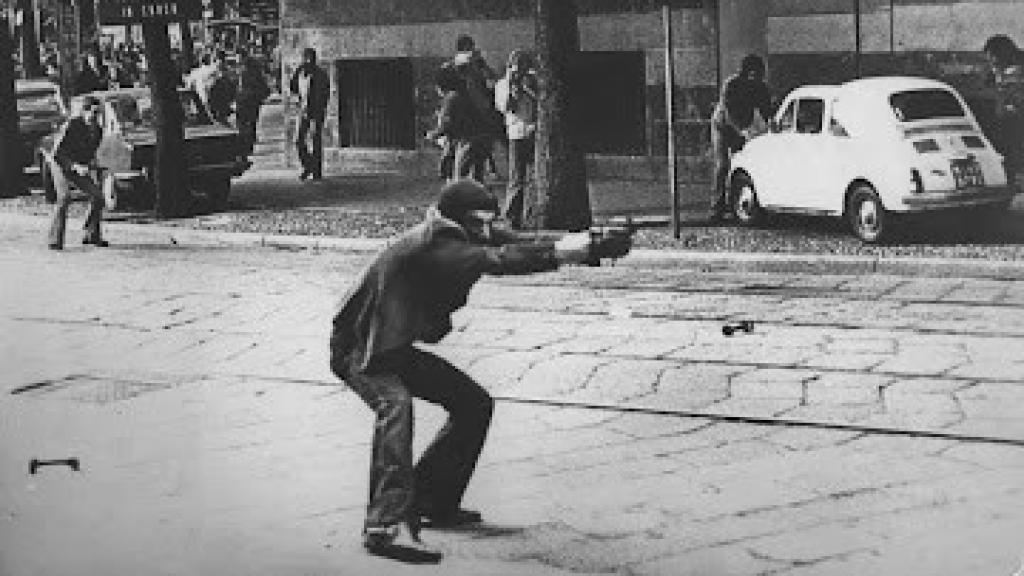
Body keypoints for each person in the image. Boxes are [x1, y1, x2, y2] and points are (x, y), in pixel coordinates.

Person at [329, 179, 630, 563]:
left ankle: (432, 499)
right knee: (396, 406)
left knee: (473, 404)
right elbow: (500, 259)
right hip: (361, 350)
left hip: (390, 345)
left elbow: (518, 239)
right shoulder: (437, 246)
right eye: (481, 224)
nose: (488, 232)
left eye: (490, 222)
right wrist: (580, 250)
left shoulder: (461, 230)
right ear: (458, 222)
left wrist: (588, 239)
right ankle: (385, 525)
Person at [709, 54, 773, 222]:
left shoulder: (760, 88)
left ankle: (739, 202)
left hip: (744, 126)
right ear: (749, 73)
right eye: (757, 74)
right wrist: (741, 132)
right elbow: (728, 112)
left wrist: (772, 125)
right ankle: (716, 208)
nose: (760, 78)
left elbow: (767, 110)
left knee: (747, 164)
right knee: (722, 165)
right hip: (722, 127)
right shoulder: (731, 85)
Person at [47, 95, 107, 250]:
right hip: (60, 164)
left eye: (98, 113)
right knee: (64, 197)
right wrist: (74, 166)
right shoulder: (71, 125)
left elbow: (90, 152)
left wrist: (94, 164)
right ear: (84, 111)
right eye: (93, 112)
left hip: (79, 166)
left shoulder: (98, 131)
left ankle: (91, 234)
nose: (96, 117)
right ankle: (55, 240)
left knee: (98, 197)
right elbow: (57, 153)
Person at [494, 49, 538, 228]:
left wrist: (529, 87)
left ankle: (531, 214)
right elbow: (506, 107)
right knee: (517, 178)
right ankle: (513, 217)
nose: (520, 72)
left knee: (534, 177)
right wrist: (513, 88)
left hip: (534, 131)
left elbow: (541, 102)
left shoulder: (532, 82)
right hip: (517, 133)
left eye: (524, 68)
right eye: (517, 68)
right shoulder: (502, 85)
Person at [427, 64, 490, 183]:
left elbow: (446, 124)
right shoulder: (465, 93)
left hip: (468, 141)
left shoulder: (451, 98)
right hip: (483, 139)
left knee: (459, 180)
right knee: (476, 179)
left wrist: (432, 134)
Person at [983, 35, 1024, 192]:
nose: (990, 60)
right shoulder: (999, 70)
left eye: (992, 56)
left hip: (1016, 118)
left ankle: (1013, 179)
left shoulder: (1016, 71)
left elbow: (1010, 93)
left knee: (1012, 148)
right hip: (1007, 118)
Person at [289, 47, 331, 181]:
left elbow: (323, 97)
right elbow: (293, 87)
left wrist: (316, 114)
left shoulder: (320, 75)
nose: (307, 62)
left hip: (316, 112)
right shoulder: (300, 72)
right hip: (303, 110)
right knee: (298, 140)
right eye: (305, 59)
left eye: (310, 59)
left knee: (315, 140)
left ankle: (316, 171)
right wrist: (297, 100)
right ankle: (309, 165)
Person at [236, 51, 271, 155]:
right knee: (251, 123)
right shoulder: (254, 71)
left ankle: (246, 146)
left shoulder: (243, 72)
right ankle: (249, 145)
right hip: (251, 100)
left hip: (245, 100)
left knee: (243, 124)